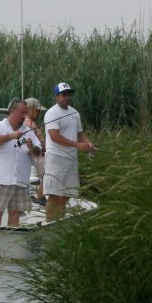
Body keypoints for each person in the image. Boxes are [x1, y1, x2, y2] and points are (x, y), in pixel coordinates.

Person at [0, 97, 42, 227]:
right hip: (1, 179)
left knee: (15, 214)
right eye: (22, 112)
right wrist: (11, 136)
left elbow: (38, 153)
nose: (24, 116)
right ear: (12, 111)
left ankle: (11, 241)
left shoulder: (28, 131)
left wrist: (32, 147)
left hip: (20, 180)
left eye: (26, 112)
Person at [43, 82, 94, 221]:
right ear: (57, 96)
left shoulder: (74, 113)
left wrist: (88, 143)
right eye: (63, 95)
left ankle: (59, 222)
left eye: (68, 94)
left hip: (71, 159)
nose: (67, 97)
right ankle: (50, 223)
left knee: (66, 195)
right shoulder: (51, 113)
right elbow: (54, 136)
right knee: (55, 195)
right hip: (56, 158)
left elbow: (80, 134)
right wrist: (78, 145)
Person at [23, 97, 47, 201]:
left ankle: (40, 195)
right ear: (29, 109)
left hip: (39, 152)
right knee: (48, 174)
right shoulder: (28, 123)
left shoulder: (29, 122)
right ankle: (40, 197)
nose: (39, 113)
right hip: (35, 155)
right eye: (37, 110)